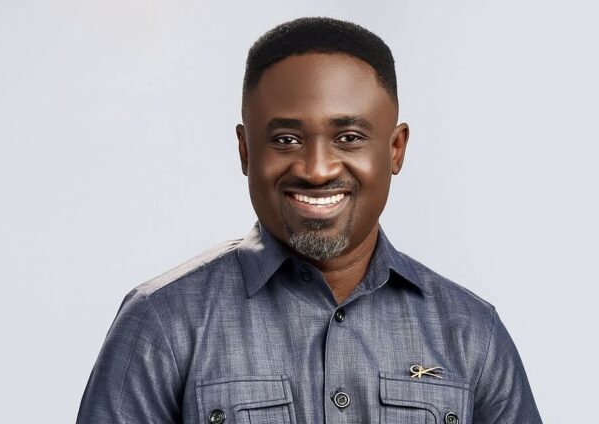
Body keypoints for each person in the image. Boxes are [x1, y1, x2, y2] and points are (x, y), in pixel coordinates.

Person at [77, 17, 542, 424]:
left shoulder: (472, 333)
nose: (317, 170)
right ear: (245, 150)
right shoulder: (161, 323)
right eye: (286, 139)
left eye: (348, 137)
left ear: (395, 149)